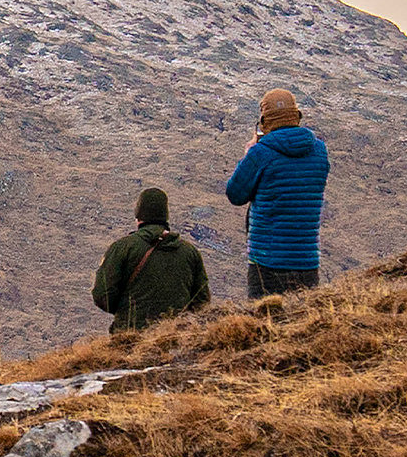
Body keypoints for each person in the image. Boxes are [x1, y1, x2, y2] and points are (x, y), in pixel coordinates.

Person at [226, 88, 330, 298]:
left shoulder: (261, 153)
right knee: (302, 325)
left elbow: (235, 194)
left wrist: (247, 156)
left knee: (265, 325)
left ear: (264, 122)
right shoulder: (319, 151)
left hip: (267, 261)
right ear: (297, 116)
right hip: (307, 261)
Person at [92, 187, 211, 332]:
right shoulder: (190, 252)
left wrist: (126, 312)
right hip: (176, 338)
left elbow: (102, 295)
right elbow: (202, 302)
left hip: (130, 337)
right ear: (165, 216)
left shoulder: (123, 248)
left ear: (139, 216)